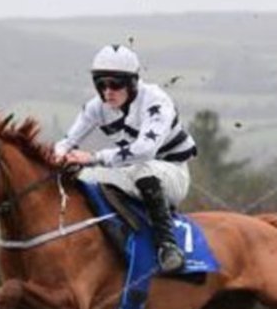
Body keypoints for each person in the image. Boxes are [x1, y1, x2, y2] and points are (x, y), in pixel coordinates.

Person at [53, 44, 198, 273]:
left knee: (142, 169)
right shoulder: (97, 107)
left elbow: (145, 151)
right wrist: (59, 158)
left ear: (132, 83)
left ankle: (167, 246)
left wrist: (93, 157)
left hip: (172, 173)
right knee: (83, 177)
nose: (108, 92)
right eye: (101, 84)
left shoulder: (156, 101)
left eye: (115, 84)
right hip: (131, 171)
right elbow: (66, 142)